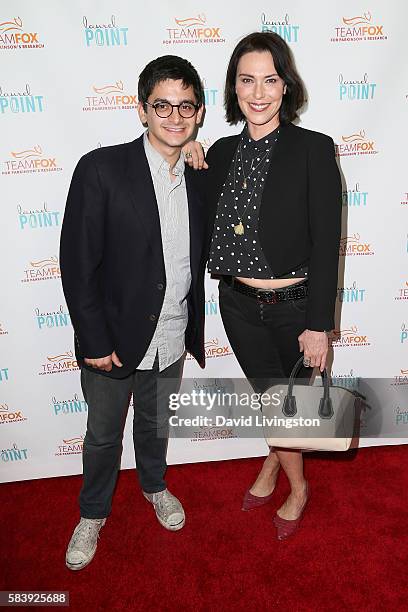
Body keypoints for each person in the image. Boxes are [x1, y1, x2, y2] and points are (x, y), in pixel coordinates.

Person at [187, 31, 342, 539]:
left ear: (285, 85)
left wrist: (319, 325)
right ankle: (280, 465)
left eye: (269, 80)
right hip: (236, 304)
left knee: (287, 409)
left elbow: (327, 244)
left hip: (294, 308)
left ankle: (295, 486)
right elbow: (197, 210)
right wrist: (189, 151)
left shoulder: (314, 149)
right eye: (246, 80)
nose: (258, 93)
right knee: (271, 402)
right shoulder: (222, 152)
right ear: (233, 88)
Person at [60, 55, 206, 570]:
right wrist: (94, 341)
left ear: (200, 112)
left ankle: (154, 486)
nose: (174, 115)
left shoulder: (199, 174)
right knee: (103, 435)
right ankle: (93, 513)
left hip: (172, 335)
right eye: (162, 104)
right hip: (114, 339)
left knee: (156, 425)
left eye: (185, 105)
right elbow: (77, 265)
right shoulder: (101, 168)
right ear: (142, 109)